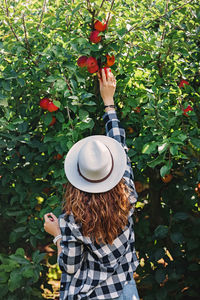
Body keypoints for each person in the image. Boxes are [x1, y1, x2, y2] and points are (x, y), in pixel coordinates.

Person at [44, 69, 140, 300]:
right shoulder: (128, 195)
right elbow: (120, 144)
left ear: (77, 177)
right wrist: (109, 102)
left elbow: (69, 266)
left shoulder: (72, 221)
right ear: (113, 169)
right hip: (125, 290)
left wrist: (57, 235)